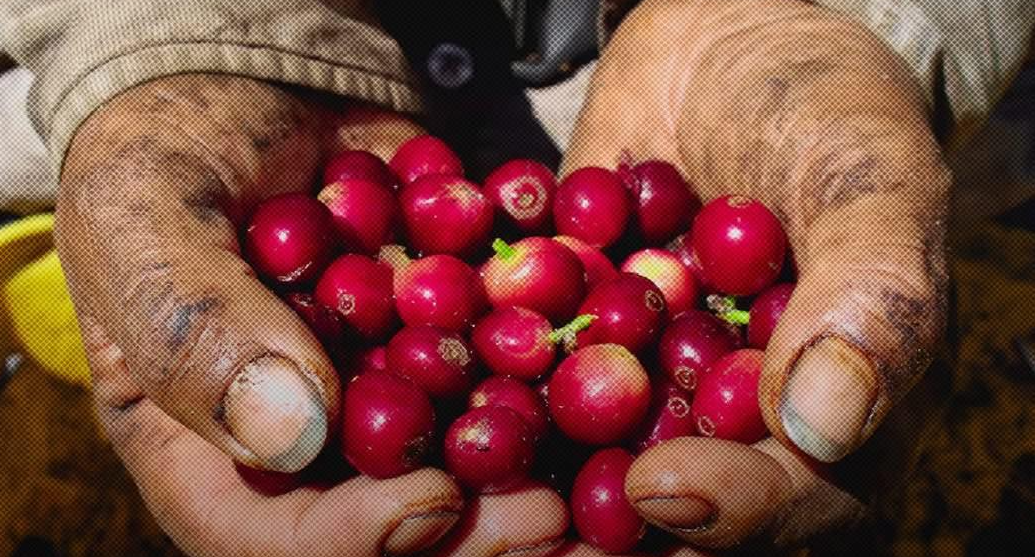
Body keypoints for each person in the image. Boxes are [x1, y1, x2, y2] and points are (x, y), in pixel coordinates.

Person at [0, 0, 1032, 555]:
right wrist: (161, 40)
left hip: (663, 79)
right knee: (107, 294)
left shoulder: (569, 308)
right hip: (297, 91)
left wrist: (845, 16)